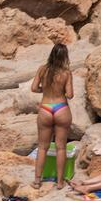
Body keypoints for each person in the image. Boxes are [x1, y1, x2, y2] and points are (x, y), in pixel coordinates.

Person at [33, 43, 74, 190]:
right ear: (65, 56)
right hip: (61, 108)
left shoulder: (42, 69)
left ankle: (37, 181)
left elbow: (33, 88)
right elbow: (70, 94)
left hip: (45, 108)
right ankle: (60, 182)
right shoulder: (66, 73)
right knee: (61, 147)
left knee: (42, 147)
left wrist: (44, 91)